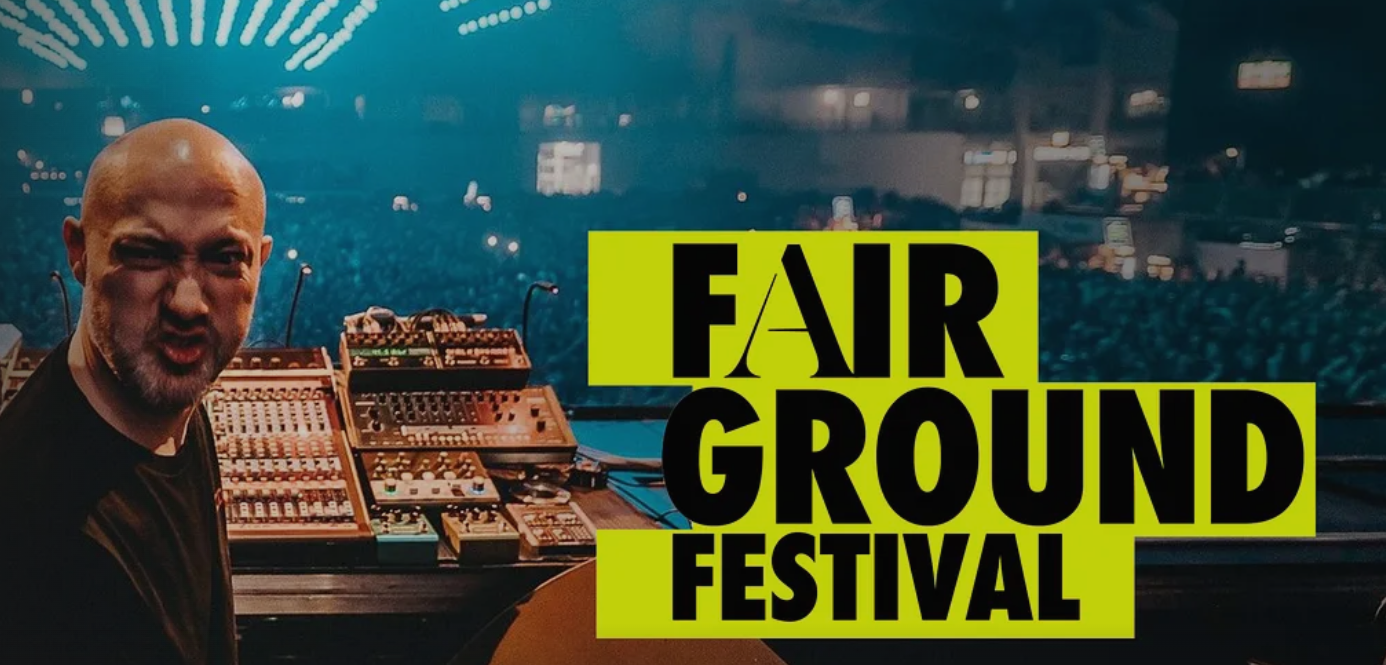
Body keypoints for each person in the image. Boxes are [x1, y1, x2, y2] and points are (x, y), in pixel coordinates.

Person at [0, 119, 272, 664]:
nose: (188, 303)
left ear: (259, 262)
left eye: (224, 258)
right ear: (79, 252)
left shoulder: (173, 401)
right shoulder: (31, 529)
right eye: (148, 253)